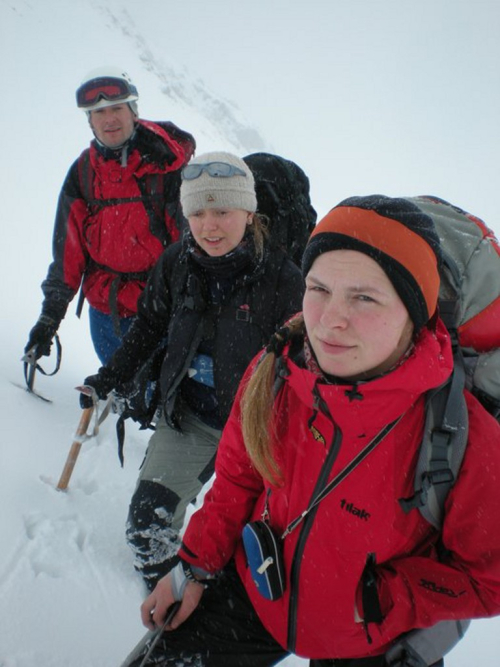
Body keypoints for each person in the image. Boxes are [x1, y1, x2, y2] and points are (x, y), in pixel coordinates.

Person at [128, 196, 500, 667]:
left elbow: (488, 580)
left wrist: (384, 599)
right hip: (257, 589)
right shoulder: (276, 371)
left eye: (364, 297)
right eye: (318, 288)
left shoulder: (463, 434)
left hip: (370, 642)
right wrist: (194, 567)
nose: (329, 319)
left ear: (415, 311)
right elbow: (239, 480)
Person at [79, 152, 305, 590]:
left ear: (249, 211)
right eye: (198, 213)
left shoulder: (284, 280)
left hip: (261, 431)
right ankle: (164, 594)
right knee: (147, 524)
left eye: (222, 211)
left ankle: (217, 612)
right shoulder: (177, 263)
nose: (210, 226)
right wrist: (109, 378)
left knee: (259, 552)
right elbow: (149, 325)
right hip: (194, 418)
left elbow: (304, 371)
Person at [24, 66, 195, 366]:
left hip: (156, 311)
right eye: (98, 112)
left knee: (156, 402)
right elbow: (68, 255)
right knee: (119, 393)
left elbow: (188, 247)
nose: (109, 119)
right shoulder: (83, 173)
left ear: (133, 112)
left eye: (116, 108)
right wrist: (49, 319)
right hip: (104, 311)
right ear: (89, 121)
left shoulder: (165, 167)